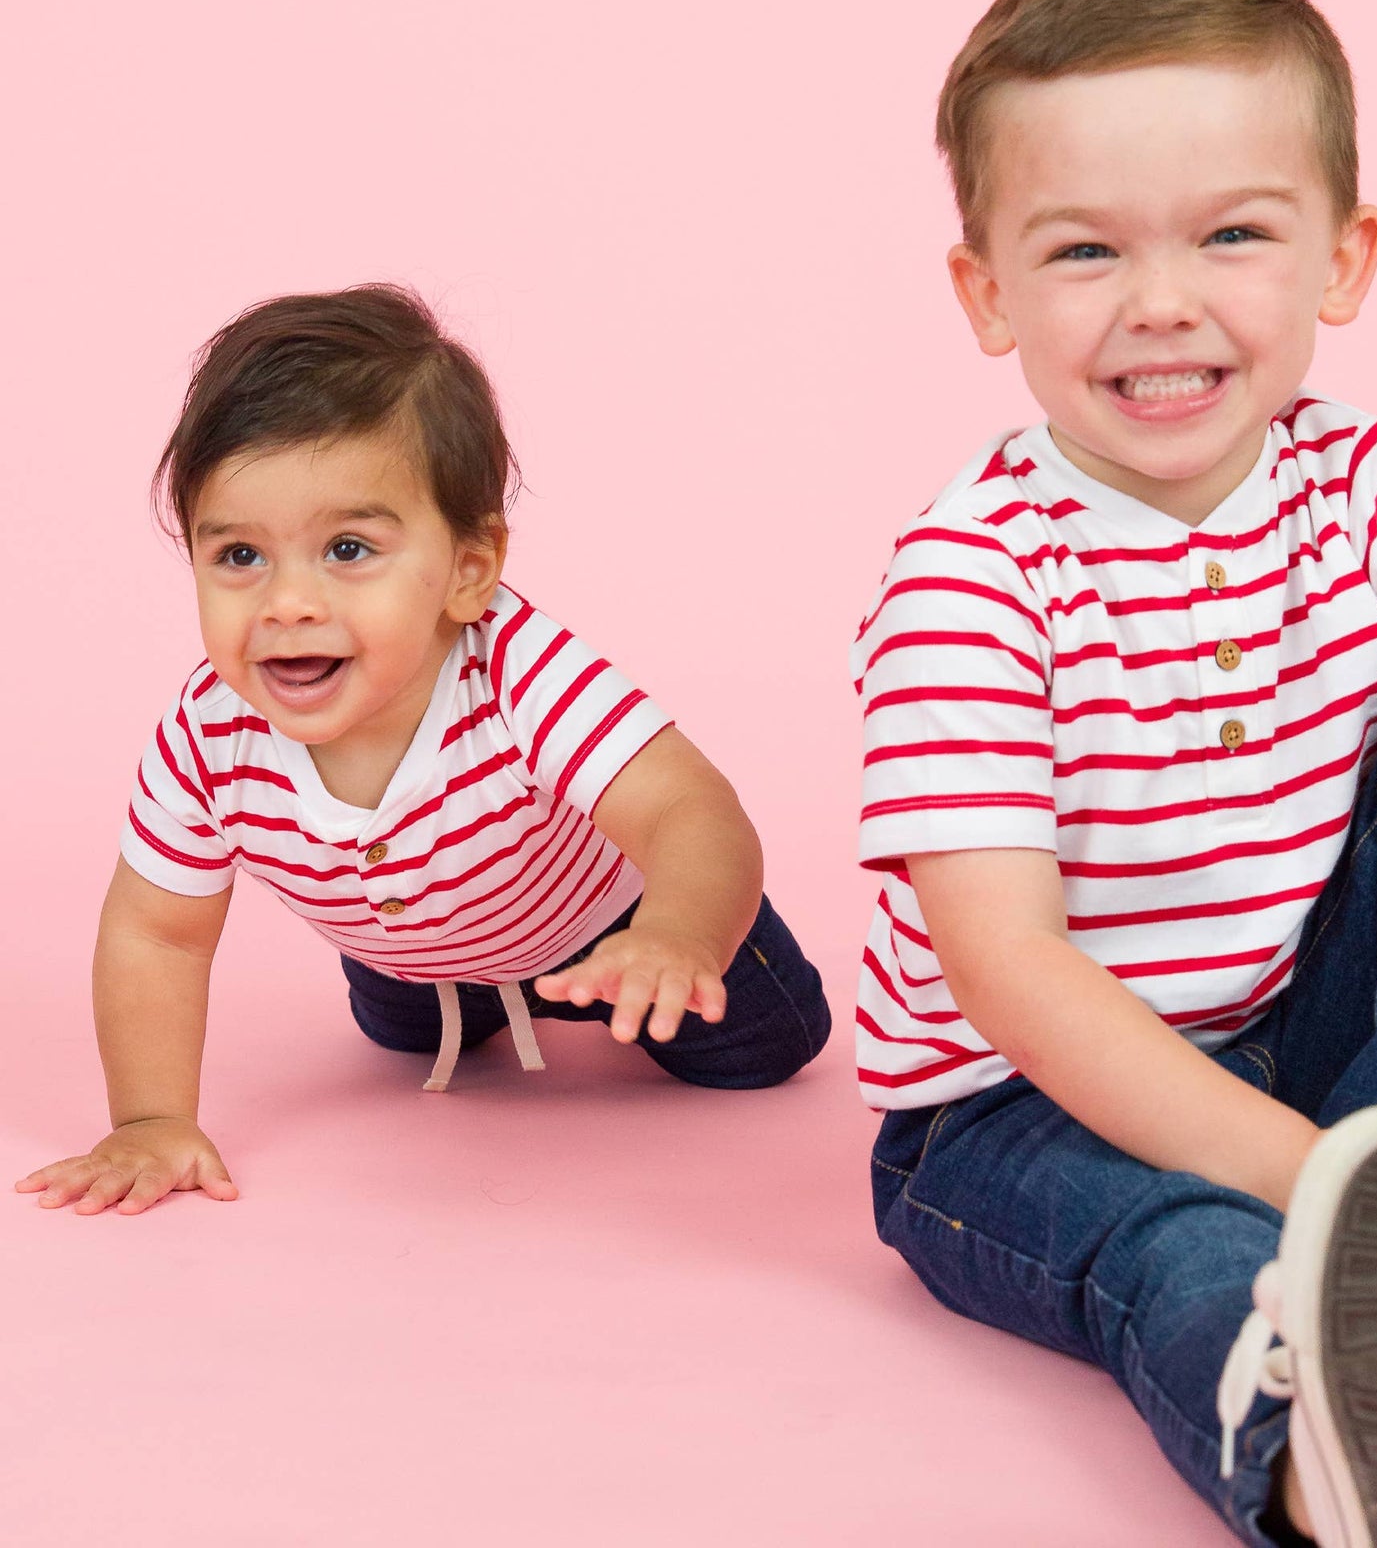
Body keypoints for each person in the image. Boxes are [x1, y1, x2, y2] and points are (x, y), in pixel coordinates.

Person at [854, 0, 1377, 1547]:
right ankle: (1317, 1451)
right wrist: (1301, 1174)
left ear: (1343, 256)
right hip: (1011, 1104)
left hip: (1294, 1025)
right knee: (1181, 1248)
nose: (1163, 306)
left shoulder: (1371, 489)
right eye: (1086, 253)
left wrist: (1363, 1142)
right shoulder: (971, 577)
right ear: (988, 293)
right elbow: (1013, 975)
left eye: (1233, 234)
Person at [19, 285, 829, 1215]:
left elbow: (691, 808)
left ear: (468, 571)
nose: (287, 604)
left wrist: (679, 932)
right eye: (240, 556)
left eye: (349, 549)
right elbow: (156, 931)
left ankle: (658, 966)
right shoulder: (209, 730)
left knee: (766, 1053)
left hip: (617, 926)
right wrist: (150, 1118)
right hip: (413, 959)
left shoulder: (519, 673)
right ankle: (479, 994)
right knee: (397, 1040)